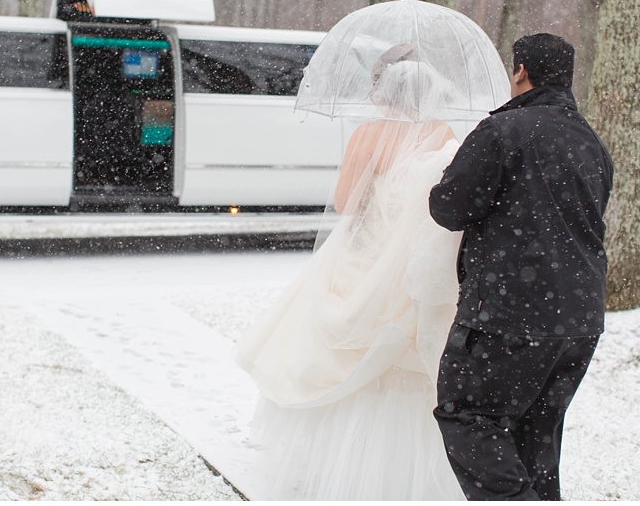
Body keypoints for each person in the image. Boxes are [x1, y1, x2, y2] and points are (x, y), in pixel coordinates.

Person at [235, 46, 467, 500]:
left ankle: (333, 463)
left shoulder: (368, 134)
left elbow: (345, 202)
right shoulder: (444, 133)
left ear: (386, 93)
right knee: (407, 357)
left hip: (360, 256)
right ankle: (403, 474)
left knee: (341, 349)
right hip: (413, 265)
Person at [428, 33, 613, 500]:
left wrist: (442, 179)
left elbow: (449, 209)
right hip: (580, 317)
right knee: (538, 432)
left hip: (510, 312)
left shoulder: (502, 131)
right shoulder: (590, 141)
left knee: (467, 414)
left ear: (521, 73)